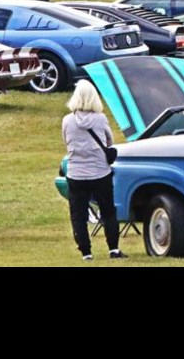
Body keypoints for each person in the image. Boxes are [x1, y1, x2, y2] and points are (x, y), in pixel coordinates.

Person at [61, 80, 127, 261]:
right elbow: (109, 142)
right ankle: (113, 249)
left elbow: (66, 142)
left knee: (78, 215)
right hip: (100, 172)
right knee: (108, 211)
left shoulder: (67, 120)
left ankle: (86, 253)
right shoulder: (101, 119)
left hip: (76, 173)